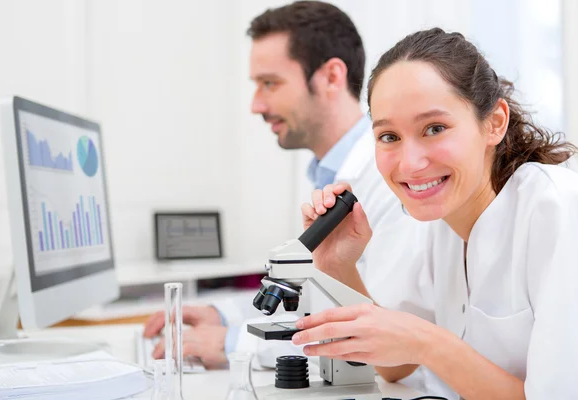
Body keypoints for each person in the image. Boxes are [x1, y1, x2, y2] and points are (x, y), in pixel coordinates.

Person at [291, 27, 578, 399]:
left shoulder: (557, 207)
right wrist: (341, 266)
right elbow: (394, 364)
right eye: (389, 136)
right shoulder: (442, 219)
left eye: (435, 128)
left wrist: (426, 342)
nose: (411, 163)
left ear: (495, 122)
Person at [143, 1, 434, 375]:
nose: (256, 105)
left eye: (270, 83)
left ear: (331, 77)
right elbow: (315, 300)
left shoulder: (393, 180)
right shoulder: (328, 174)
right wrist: (221, 313)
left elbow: (387, 333)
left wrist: (233, 343)